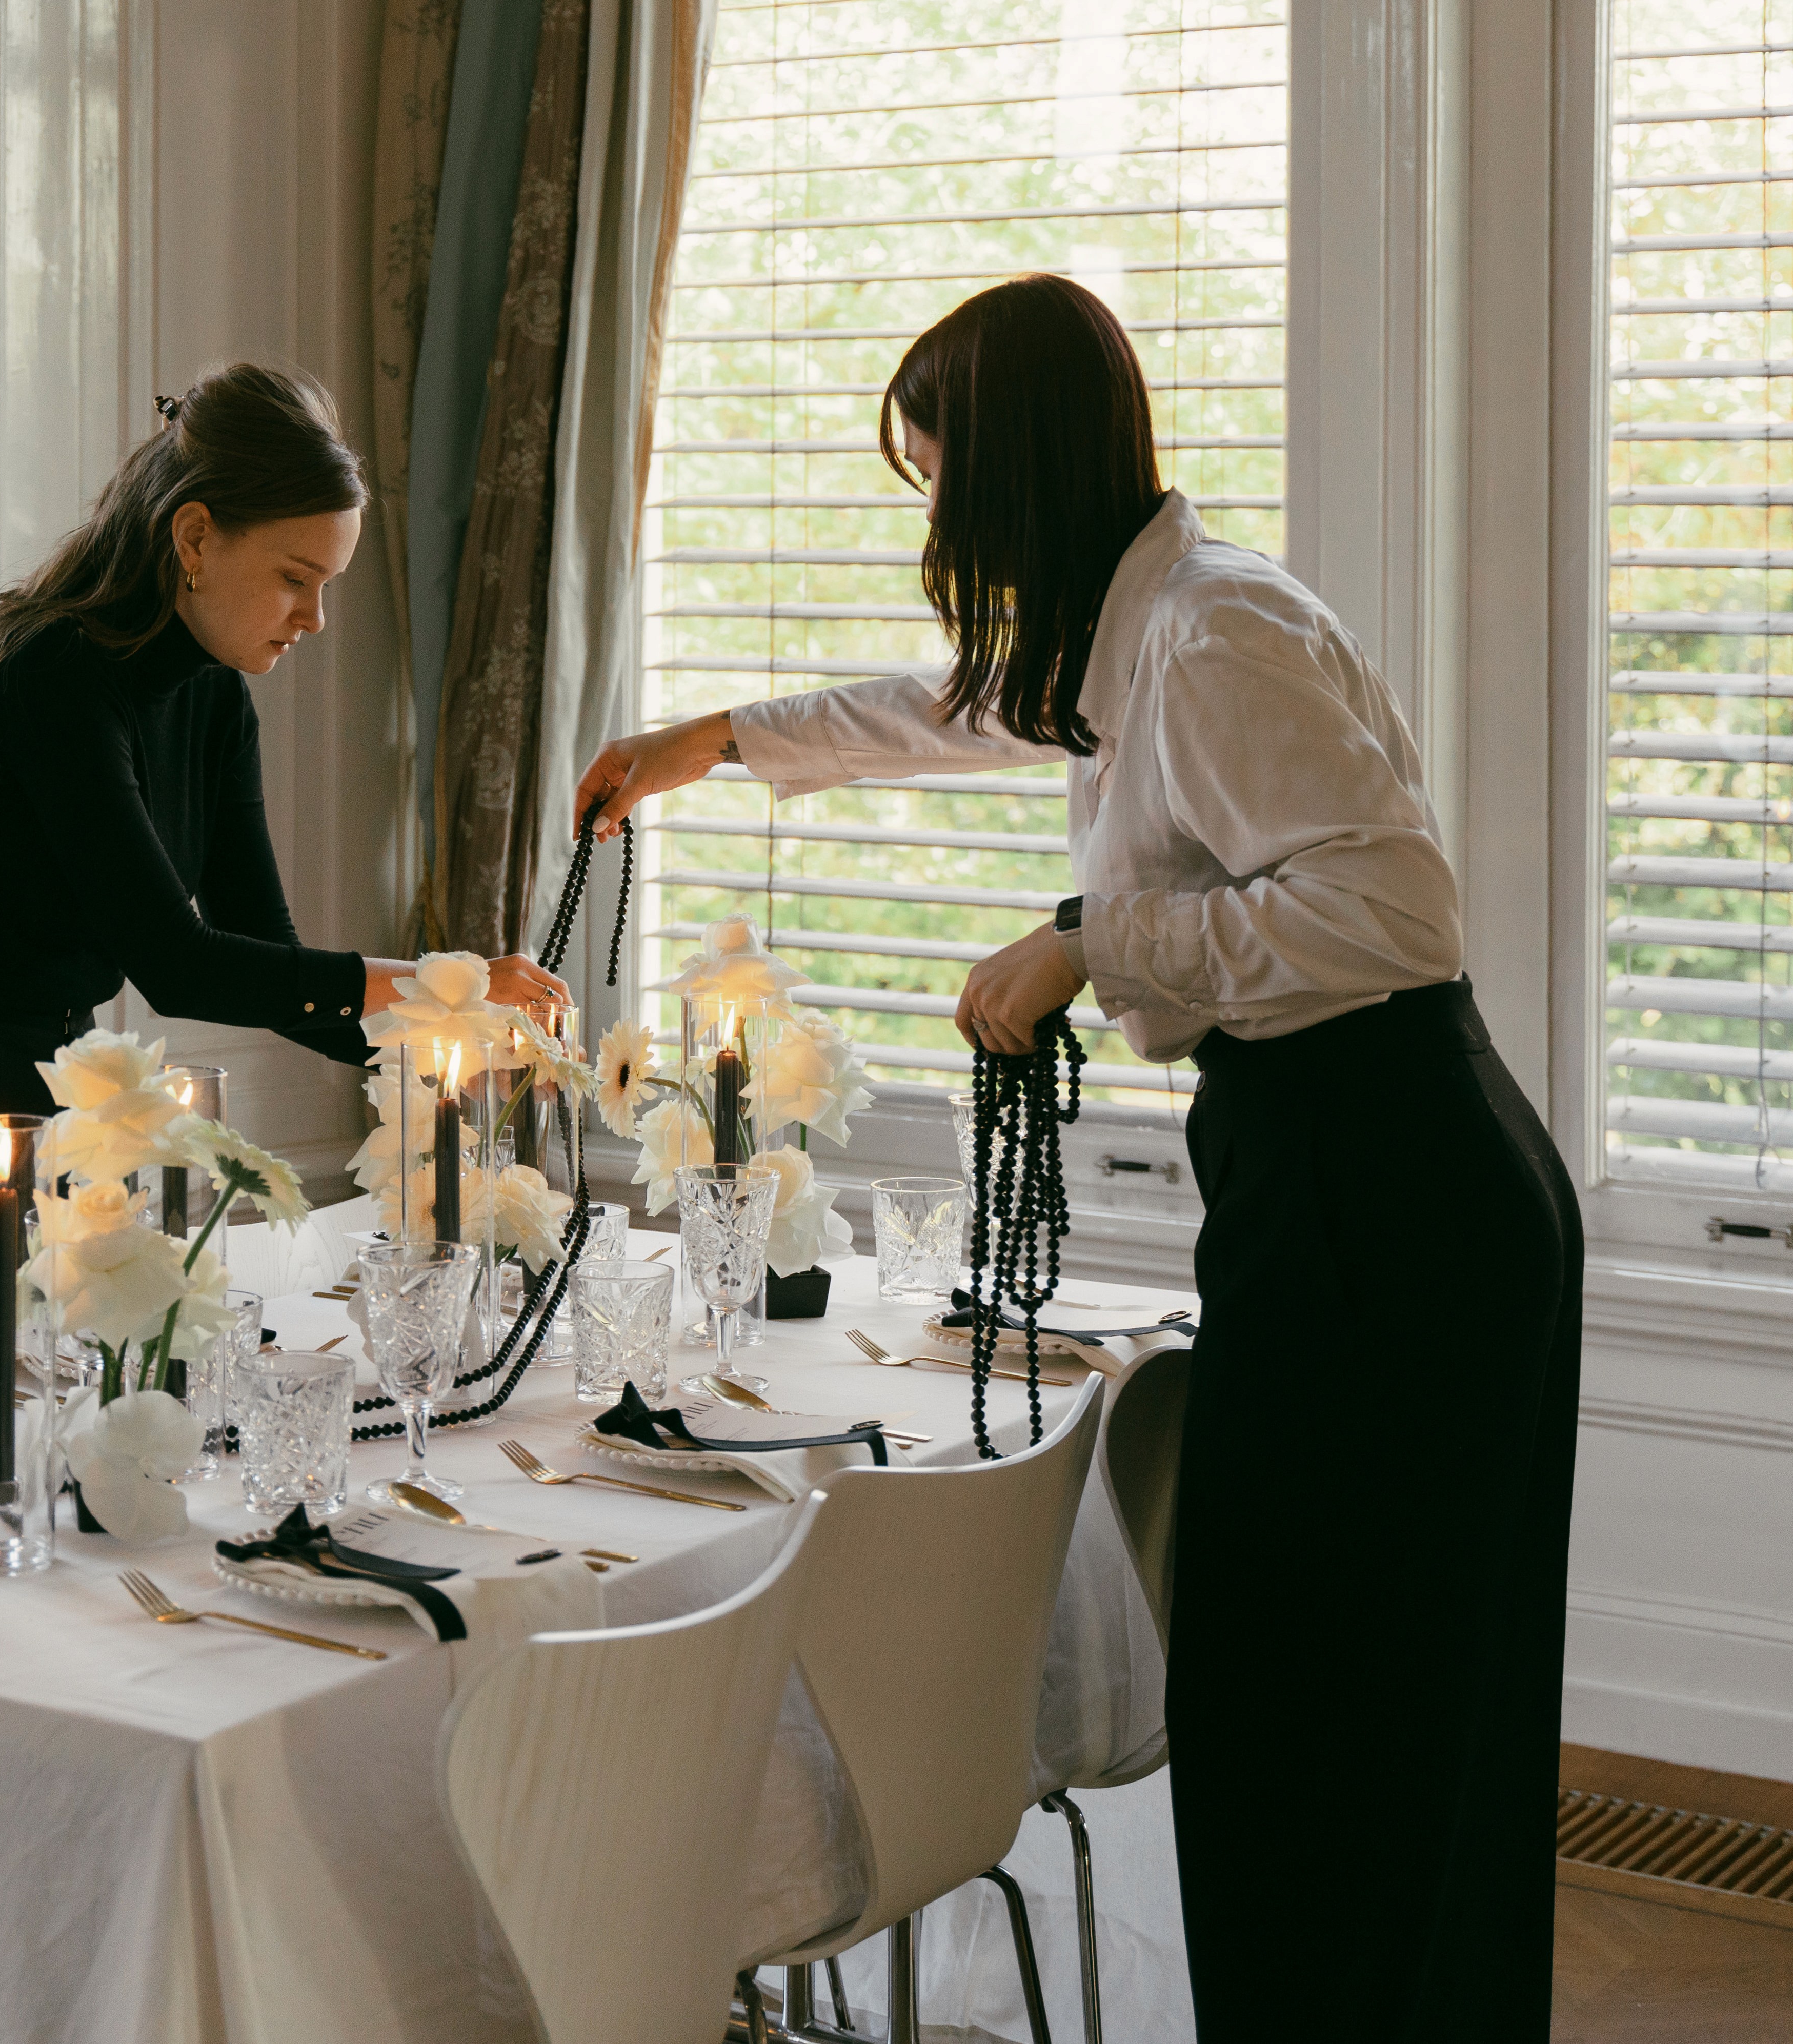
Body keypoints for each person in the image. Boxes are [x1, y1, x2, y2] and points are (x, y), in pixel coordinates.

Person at [575, 274, 1582, 2041]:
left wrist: (1085, 941)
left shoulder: (1210, 638)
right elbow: (953, 709)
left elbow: (1393, 911)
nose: (940, 523)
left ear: (1013, 466)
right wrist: (717, 742)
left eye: (943, 471)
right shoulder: (1140, 626)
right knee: (1335, 1715)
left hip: (1391, 1200)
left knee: (1337, 1722)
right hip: (1343, 1175)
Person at [0, 363, 562, 1311]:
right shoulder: (50, 676)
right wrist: (443, 990)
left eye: (326, 584)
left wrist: (452, 1045)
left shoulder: (217, 700)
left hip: (44, 1102)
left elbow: (268, 964)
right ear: (195, 538)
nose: (316, 619)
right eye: (296, 580)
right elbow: (179, 965)